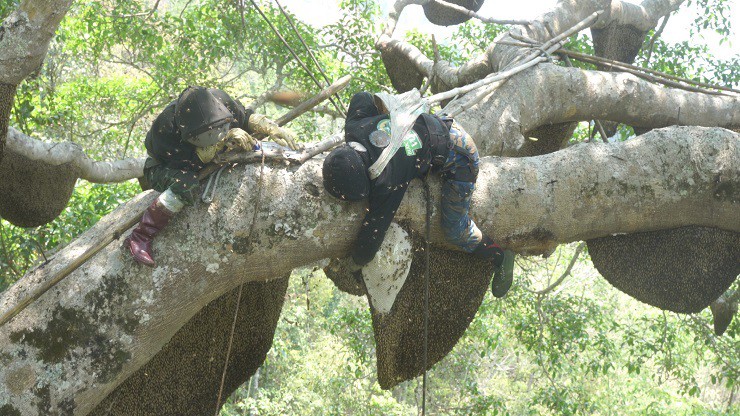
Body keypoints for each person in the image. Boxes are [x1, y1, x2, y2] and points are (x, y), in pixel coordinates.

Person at [322, 91, 515, 297]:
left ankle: (500, 258)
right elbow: (362, 97)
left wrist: (353, 264)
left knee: (455, 229)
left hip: (461, 157)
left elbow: (374, 232)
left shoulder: (388, 177)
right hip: (440, 123)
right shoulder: (355, 127)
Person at [124, 85, 298, 267]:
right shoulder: (165, 129)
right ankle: (141, 235)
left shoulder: (219, 100)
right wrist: (222, 142)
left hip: (206, 154)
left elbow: (244, 116)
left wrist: (270, 127)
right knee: (185, 183)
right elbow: (187, 165)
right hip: (164, 166)